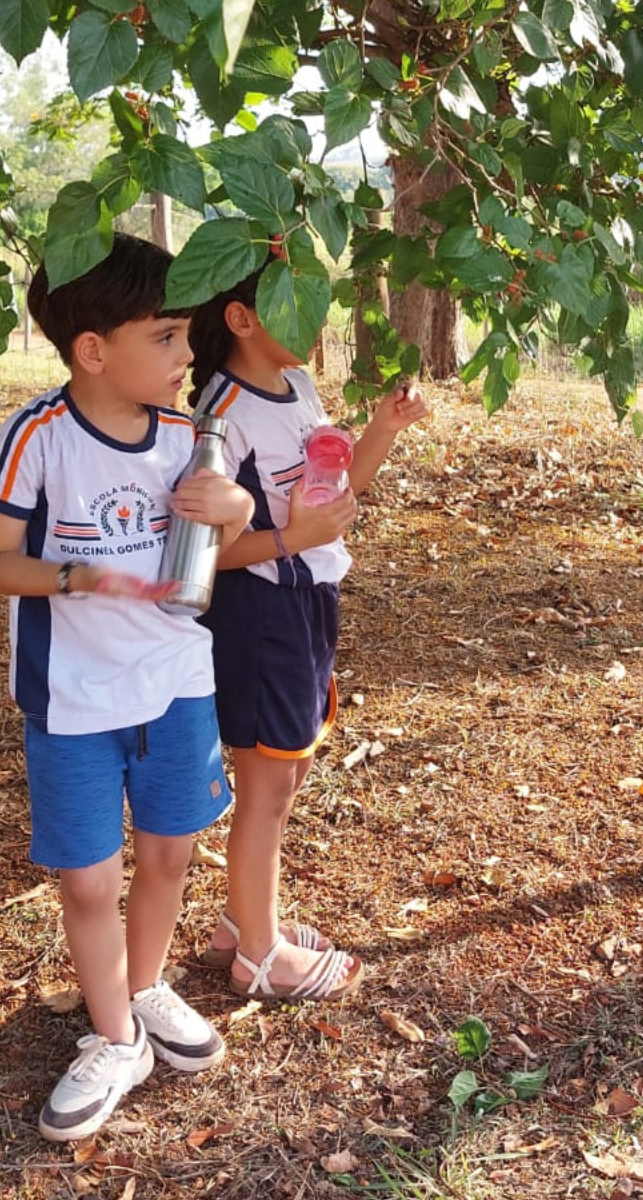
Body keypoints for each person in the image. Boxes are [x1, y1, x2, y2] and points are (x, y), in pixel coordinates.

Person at [0, 234, 255, 1141]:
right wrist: (74, 578)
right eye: (169, 337)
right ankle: (115, 1036)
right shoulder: (37, 438)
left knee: (168, 854)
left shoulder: (186, 437)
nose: (186, 356)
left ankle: (145, 986)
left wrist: (238, 508)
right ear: (93, 349)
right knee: (90, 880)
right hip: (75, 699)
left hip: (176, 687)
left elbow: (228, 521)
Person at [184, 262, 429, 1001]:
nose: (315, 325)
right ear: (240, 319)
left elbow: (336, 486)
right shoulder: (220, 413)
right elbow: (208, 552)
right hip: (262, 612)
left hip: (310, 600)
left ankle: (242, 923)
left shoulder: (295, 387)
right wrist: (295, 540)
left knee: (290, 770)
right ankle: (258, 956)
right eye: (295, 308)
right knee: (266, 784)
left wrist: (383, 429)